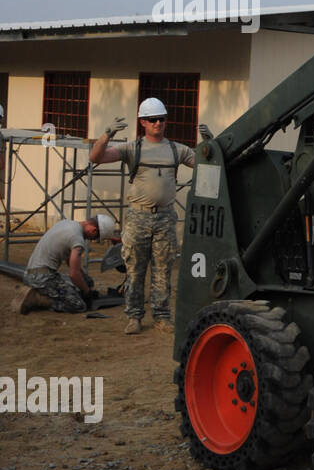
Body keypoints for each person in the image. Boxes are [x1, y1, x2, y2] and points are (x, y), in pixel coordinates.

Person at [89, 98, 196, 334]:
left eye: (162, 119)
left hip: (165, 218)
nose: (158, 123)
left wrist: (211, 145)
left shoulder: (176, 149)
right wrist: (107, 134)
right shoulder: (132, 148)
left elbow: (203, 163)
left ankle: (161, 316)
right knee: (135, 269)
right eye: (152, 119)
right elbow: (95, 157)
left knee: (163, 269)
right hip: (138, 218)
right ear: (143, 122)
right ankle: (134, 316)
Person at [14, 215, 116, 315]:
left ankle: (41, 291)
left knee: (86, 281)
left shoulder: (66, 223)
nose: (91, 240)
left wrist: (84, 277)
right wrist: (87, 292)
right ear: (93, 230)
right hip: (42, 278)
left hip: (30, 273)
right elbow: (73, 275)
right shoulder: (77, 239)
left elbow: (69, 261)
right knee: (78, 305)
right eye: (95, 238)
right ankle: (38, 298)